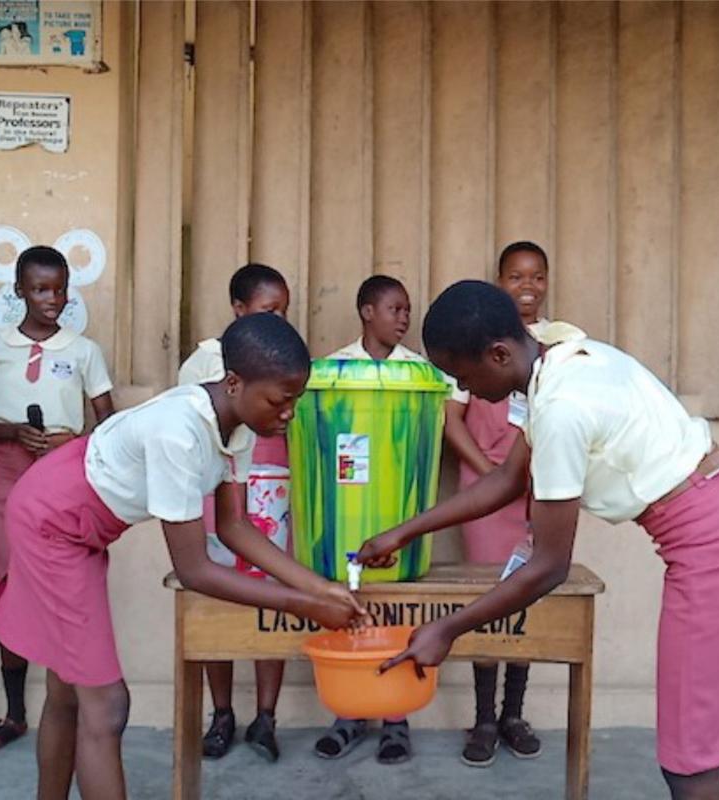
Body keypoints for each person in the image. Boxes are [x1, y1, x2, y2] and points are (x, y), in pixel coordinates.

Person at [357, 280, 719, 800]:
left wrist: (448, 629)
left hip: (713, 545)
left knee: (690, 759)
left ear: (499, 354)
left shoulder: (561, 408)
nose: (470, 392)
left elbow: (547, 567)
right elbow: (506, 480)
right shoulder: (567, 357)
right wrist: (403, 531)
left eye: (464, 376)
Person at [0, 313, 368, 800]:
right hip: (51, 522)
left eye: (296, 400)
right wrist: (302, 606)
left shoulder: (240, 427)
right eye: (281, 400)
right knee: (106, 705)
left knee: (72, 690)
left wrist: (318, 586)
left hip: (78, 525)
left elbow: (234, 528)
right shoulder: (180, 434)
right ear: (234, 382)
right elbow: (195, 571)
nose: (289, 414)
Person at [0, 245, 114, 755]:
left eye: (58, 289)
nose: (51, 299)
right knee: (10, 588)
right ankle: (13, 714)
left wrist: (69, 444)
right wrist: (9, 430)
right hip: (9, 475)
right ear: (18, 291)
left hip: (65, 476)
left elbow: (107, 424)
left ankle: (69, 705)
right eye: (39, 289)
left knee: (64, 588)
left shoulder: (84, 351)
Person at [442, 242, 554, 766]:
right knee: (488, 596)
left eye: (536, 276)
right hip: (485, 489)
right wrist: (492, 476)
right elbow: (450, 422)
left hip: (541, 488)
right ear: (500, 283)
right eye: (515, 276)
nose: (527, 286)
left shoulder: (555, 346)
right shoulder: (475, 341)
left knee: (528, 596)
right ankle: (484, 718)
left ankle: (514, 713)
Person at [178, 263, 293, 762]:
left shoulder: (287, 355)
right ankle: (221, 713)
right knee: (217, 598)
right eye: (270, 311)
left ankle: (266, 717)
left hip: (272, 485)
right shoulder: (203, 361)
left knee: (272, 593)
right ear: (239, 309)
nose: (279, 321)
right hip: (220, 492)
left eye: (284, 312)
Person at [314, 274, 424, 765]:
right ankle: (348, 714)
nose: (403, 319)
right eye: (394, 309)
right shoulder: (334, 370)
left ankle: (396, 720)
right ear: (366, 311)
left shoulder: (419, 372)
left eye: (406, 311)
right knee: (348, 606)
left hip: (398, 510)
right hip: (345, 513)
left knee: (394, 612)